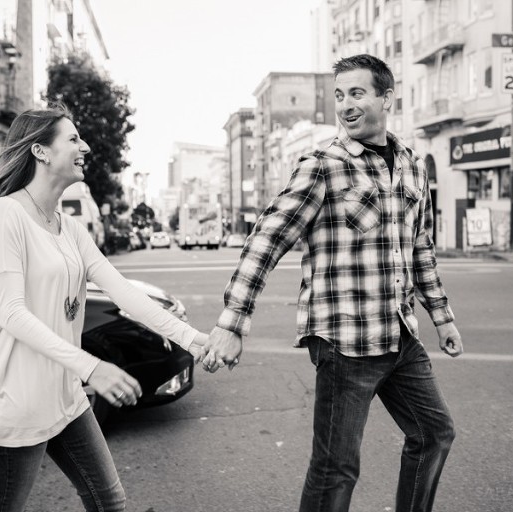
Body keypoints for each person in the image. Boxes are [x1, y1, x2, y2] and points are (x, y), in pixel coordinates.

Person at [202, 54, 463, 512]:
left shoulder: (411, 165)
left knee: (434, 434)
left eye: (357, 93)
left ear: (387, 97)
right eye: (339, 95)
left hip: (399, 334)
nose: (345, 105)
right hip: (344, 342)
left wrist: (442, 318)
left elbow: (419, 246)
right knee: (336, 468)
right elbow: (268, 238)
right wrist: (232, 321)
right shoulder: (323, 164)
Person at [0, 104, 207, 512]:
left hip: (64, 392)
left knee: (109, 501)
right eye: (73, 139)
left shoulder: (70, 228)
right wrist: (92, 367)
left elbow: (124, 293)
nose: (85, 147)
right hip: (15, 398)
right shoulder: (4, 215)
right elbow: (12, 313)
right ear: (41, 151)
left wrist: (193, 339)